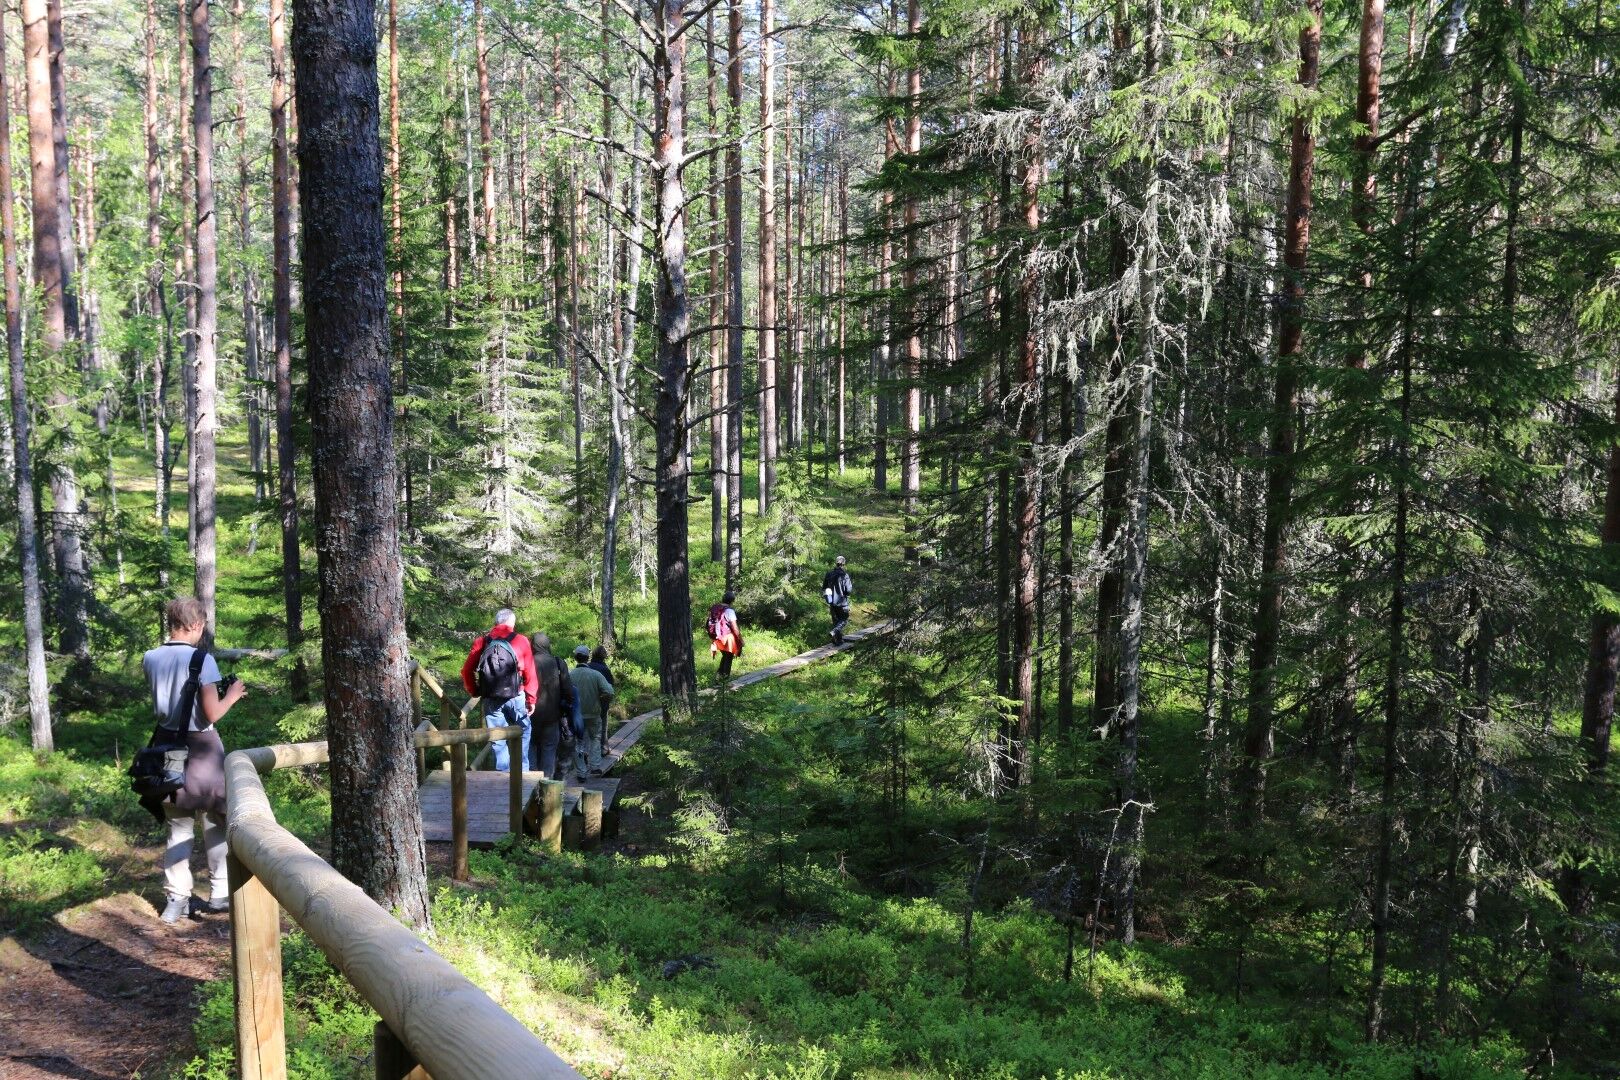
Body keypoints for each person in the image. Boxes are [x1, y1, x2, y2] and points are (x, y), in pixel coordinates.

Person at [142, 597, 247, 925]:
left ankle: (176, 901)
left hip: (166, 747)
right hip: (203, 748)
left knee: (178, 826)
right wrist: (232, 695)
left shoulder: (150, 657)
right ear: (196, 625)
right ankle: (219, 894)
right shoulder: (203, 660)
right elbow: (212, 712)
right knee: (215, 820)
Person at [460, 608, 538, 773]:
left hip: (491, 697)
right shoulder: (521, 640)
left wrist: (475, 691)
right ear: (512, 623)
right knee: (523, 731)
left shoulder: (482, 642)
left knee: (498, 737)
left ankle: (503, 775)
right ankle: (521, 773)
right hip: (516, 695)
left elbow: (466, 671)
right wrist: (531, 700)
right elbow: (530, 672)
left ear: (496, 622)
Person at [526, 632, 577, 779]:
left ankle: (532, 783)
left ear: (533, 645)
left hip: (530, 715)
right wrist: (567, 706)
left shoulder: (527, 662)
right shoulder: (558, 662)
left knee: (530, 747)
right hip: (552, 716)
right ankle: (547, 784)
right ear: (547, 645)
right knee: (549, 749)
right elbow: (568, 689)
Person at [569, 644, 616, 780]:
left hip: (576, 715)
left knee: (578, 742)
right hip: (594, 713)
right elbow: (609, 691)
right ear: (587, 657)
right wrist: (600, 698)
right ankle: (595, 766)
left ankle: (581, 772)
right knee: (595, 738)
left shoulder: (570, 675)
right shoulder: (595, 675)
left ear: (575, 658)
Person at [706, 592, 743, 679]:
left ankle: (719, 676)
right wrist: (741, 640)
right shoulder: (729, 611)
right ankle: (725, 680)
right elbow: (735, 628)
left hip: (715, 637)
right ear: (732, 601)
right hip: (726, 637)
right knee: (729, 656)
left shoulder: (715, 608)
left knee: (725, 656)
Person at [822, 555, 853, 644]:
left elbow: (824, 588)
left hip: (832, 603)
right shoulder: (845, 575)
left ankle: (838, 641)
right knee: (844, 620)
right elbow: (848, 590)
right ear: (843, 564)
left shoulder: (829, 574)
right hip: (842, 603)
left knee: (836, 621)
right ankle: (834, 632)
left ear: (836, 563)